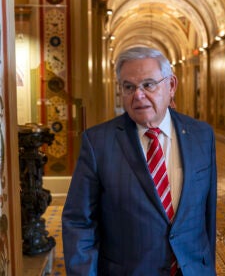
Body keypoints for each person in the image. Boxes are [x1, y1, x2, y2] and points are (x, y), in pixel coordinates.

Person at [62, 46, 217, 275]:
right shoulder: (98, 143)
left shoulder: (202, 135)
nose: (139, 95)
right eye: (129, 87)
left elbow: (207, 216)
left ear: (171, 86)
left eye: (148, 84)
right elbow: (78, 222)